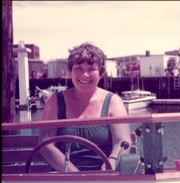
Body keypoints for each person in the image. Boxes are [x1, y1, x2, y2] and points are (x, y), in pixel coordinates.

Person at [39, 42, 132, 172]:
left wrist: (110, 164)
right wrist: (75, 174)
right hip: (63, 177)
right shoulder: (54, 100)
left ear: (101, 72)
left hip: (104, 176)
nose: (85, 75)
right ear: (70, 71)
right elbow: (46, 146)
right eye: (79, 68)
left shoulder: (113, 101)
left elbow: (122, 142)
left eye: (91, 69)